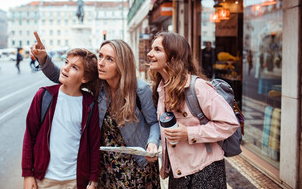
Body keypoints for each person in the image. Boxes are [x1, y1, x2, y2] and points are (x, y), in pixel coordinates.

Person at [31, 31, 161, 188]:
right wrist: (43, 58)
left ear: (121, 65)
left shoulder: (140, 89)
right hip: (105, 166)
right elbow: (64, 76)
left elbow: (154, 122)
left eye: (109, 59)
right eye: (100, 56)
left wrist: (152, 143)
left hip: (136, 167)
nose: (101, 63)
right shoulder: (98, 85)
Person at [147, 32, 239, 188]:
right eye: (151, 49)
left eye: (157, 50)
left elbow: (229, 123)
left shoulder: (198, 87)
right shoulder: (161, 88)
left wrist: (189, 133)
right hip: (179, 172)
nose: (150, 54)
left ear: (173, 56)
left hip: (205, 171)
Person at [22, 48, 100, 189]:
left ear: (84, 78)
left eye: (74, 67)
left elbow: (93, 144)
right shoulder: (44, 96)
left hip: (76, 180)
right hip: (45, 179)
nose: (65, 68)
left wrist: (93, 179)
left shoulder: (90, 104)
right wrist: (28, 175)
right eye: (66, 62)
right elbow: (29, 136)